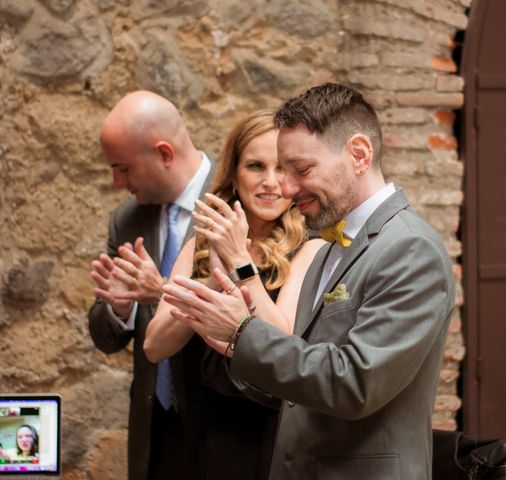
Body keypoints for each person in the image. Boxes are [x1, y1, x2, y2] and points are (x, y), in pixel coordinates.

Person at [162, 82, 456, 479]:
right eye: (285, 172)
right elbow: (298, 374)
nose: (285, 188)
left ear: (359, 154)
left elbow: (353, 383)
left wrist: (242, 334)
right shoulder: (329, 246)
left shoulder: (410, 249)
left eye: (301, 170)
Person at [143, 109, 323, 478]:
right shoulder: (200, 247)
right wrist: (210, 282)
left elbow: (280, 338)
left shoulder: (310, 248)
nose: (271, 182)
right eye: (256, 166)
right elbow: (154, 346)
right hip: (197, 432)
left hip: (267, 435)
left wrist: (241, 262)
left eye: (282, 169)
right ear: (234, 174)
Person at [88, 90, 216, 480]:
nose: (116, 182)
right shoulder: (126, 221)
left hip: (222, 429)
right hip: (154, 433)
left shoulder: (236, 199)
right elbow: (104, 336)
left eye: (123, 168)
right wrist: (120, 309)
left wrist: (160, 289)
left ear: (163, 153)